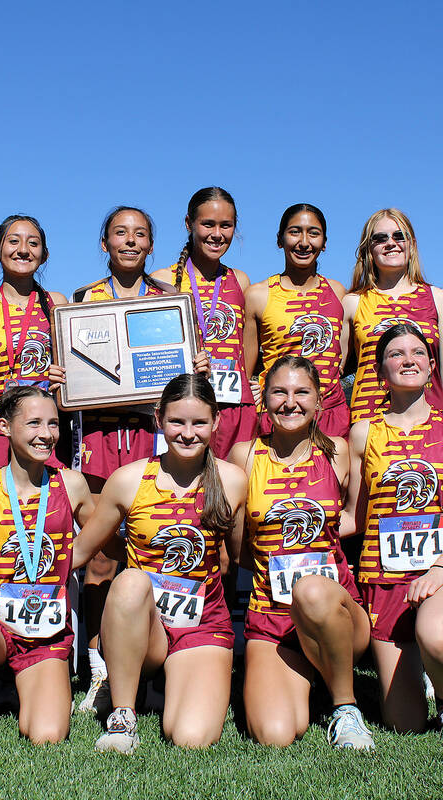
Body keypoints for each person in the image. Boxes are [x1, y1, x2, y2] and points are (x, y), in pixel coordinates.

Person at [73, 373, 248, 753]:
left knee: (191, 739)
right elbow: (80, 551)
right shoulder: (127, 480)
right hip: (143, 625)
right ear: (158, 419)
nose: (188, 433)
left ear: (216, 421)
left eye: (199, 422)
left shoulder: (233, 481)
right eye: (177, 422)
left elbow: (241, 555)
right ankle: (123, 713)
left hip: (202, 625)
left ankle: (159, 685)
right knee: (132, 583)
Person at [343, 323, 443, 745]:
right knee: (403, 723)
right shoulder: (363, 433)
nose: (409, 360)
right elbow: (355, 515)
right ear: (381, 371)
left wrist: (440, 570)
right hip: (384, 580)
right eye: (397, 354)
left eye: (418, 353)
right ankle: (418, 677)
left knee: (437, 637)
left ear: (431, 365)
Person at [228, 356, 372, 749]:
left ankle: (345, 706)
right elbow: (239, 544)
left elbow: (353, 519)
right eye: (279, 392)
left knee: (310, 590)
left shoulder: (338, 451)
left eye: (301, 392)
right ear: (264, 400)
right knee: (274, 735)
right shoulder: (244, 456)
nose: (290, 402)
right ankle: (309, 678)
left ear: (320, 402)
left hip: (334, 610)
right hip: (270, 618)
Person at [69, 206, 181, 715]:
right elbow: (72, 378)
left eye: (140, 235)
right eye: (120, 233)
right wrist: (63, 374)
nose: (130, 242)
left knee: (151, 550)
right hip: (98, 441)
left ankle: (151, 661)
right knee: (99, 559)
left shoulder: (170, 302)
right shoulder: (82, 300)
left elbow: (181, 380)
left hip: (152, 439)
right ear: (104, 242)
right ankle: (98, 668)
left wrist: (193, 364)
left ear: (151, 245)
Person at [0, 386, 95, 743]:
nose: (46, 434)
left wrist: (64, 562)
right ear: (5, 427)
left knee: (48, 736)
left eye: (54, 424)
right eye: (34, 423)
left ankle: (16, 686)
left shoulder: (72, 484)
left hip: (45, 635)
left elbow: (99, 536)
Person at [150, 188, 257, 458]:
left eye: (226, 225)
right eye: (208, 224)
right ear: (189, 224)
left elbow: (247, 351)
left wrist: (253, 383)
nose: (217, 234)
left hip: (235, 406)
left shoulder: (241, 281)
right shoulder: (162, 280)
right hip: (186, 406)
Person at [0, 216, 68, 473]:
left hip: (43, 432)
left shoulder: (57, 303)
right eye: (14, 241)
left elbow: (75, 370)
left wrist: (62, 375)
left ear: (45, 254)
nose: (23, 250)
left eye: (33, 243)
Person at [343, 209, 443, 425]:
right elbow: (333, 370)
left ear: (412, 243)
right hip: (369, 427)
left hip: (431, 426)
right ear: (368, 249)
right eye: (380, 238)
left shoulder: (439, 299)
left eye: (399, 236)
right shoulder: (353, 302)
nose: (391, 243)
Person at [245, 204, 350, 437]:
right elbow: (245, 369)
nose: (304, 242)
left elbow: (344, 357)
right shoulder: (258, 295)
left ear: (324, 242)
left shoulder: (338, 293)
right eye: (294, 231)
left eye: (313, 233)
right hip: (280, 415)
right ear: (279, 240)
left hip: (331, 416)